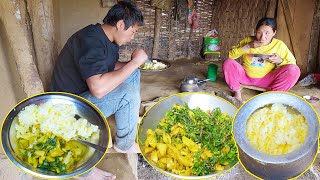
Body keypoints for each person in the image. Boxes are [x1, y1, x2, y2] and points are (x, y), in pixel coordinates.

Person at [50, 1, 147, 179]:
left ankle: (125, 128)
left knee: (132, 74)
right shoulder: (89, 40)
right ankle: (123, 145)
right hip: (67, 109)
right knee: (128, 93)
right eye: (132, 31)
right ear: (120, 25)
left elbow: (108, 67)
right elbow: (99, 90)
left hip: (81, 96)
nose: (132, 37)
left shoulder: (106, 38)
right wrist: (134, 62)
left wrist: (132, 66)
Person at [223, 17, 300, 101]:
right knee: (228, 62)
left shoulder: (279, 45)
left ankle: (273, 96)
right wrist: (248, 46)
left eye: (267, 33)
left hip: (266, 80)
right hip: (245, 77)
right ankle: (237, 91)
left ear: (274, 33)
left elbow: (292, 63)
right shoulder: (248, 41)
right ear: (255, 31)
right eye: (259, 32)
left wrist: (279, 61)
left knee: (294, 70)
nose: (262, 37)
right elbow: (230, 56)